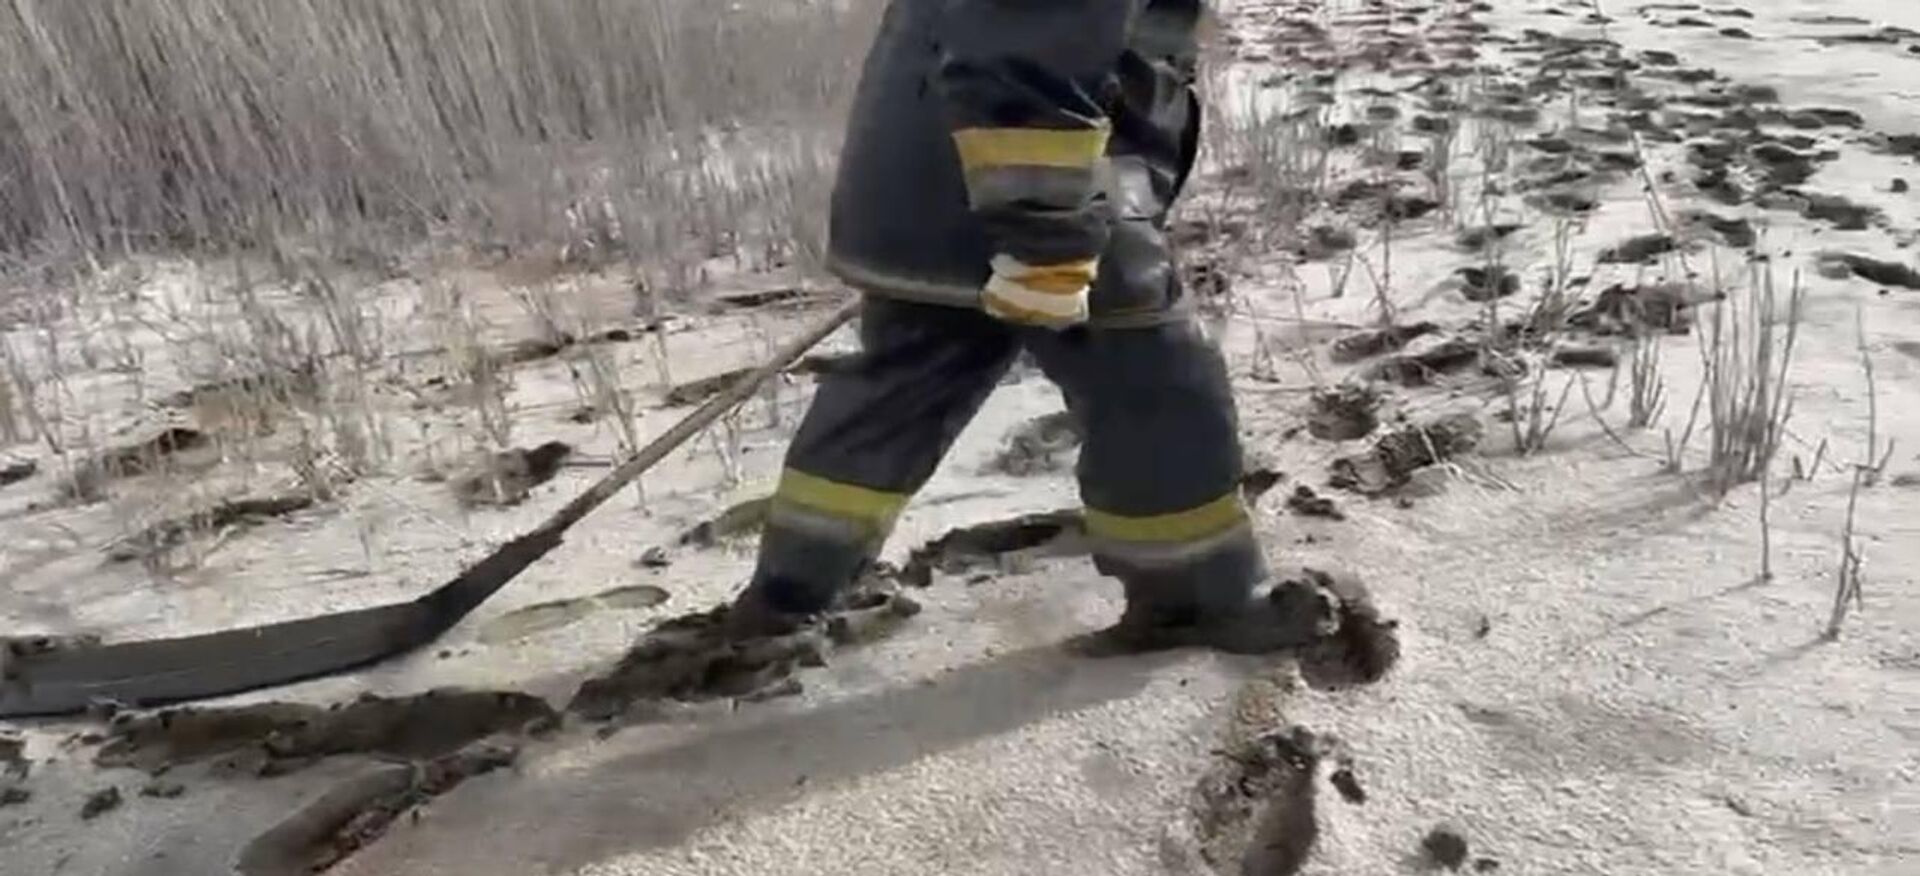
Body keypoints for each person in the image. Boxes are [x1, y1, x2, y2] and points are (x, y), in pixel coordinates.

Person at [726, 0, 1329, 652]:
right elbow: (1024, 48)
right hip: (1035, 180)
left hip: (934, 174)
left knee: (904, 384)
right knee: (1154, 377)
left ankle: (789, 593)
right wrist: (1048, 235)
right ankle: (1196, 595)